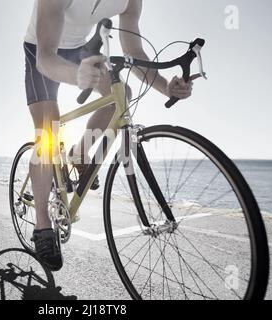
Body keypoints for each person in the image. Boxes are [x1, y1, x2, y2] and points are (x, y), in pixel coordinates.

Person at [24, 0, 194, 271]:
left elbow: (134, 51)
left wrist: (166, 88)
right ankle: (43, 224)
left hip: (80, 48)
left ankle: (80, 152)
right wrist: (75, 75)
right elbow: (45, 57)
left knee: (120, 96)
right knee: (49, 129)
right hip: (41, 51)